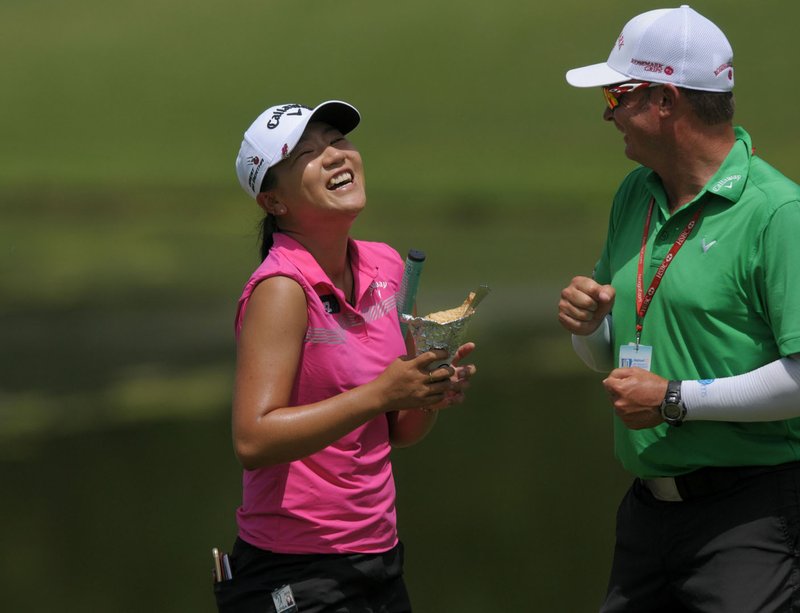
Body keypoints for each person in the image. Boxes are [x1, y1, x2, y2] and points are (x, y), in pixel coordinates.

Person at [558, 6, 800, 612]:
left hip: (752, 521)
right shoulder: (634, 192)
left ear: (665, 101)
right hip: (646, 516)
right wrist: (590, 328)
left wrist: (674, 399)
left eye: (618, 94)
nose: (609, 113)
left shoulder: (778, 213)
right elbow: (611, 353)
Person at [214, 100, 477, 613]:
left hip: (379, 556)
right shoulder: (281, 288)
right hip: (296, 567)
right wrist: (380, 393)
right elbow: (253, 438)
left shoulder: (387, 266)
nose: (335, 155)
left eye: (337, 140)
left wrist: (428, 392)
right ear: (274, 202)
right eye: (308, 153)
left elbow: (400, 430)